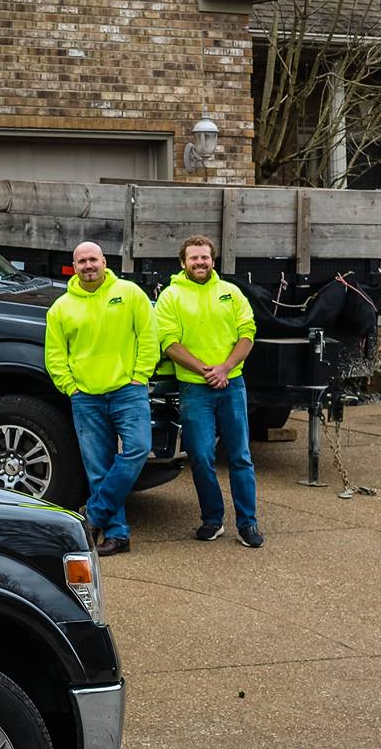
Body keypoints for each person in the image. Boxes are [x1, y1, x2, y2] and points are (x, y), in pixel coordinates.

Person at [43, 241, 157, 556]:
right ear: (74, 267)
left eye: (93, 259)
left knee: (138, 449)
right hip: (86, 398)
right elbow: (55, 356)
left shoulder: (130, 293)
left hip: (128, 391)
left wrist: (140, 375)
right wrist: (71, 388)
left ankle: (94, 514)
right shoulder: (61, 308)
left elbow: (149, 335)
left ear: (104, 261)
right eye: (82, 262)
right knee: (98, 468)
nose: (88, 266)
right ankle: (118, 535)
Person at [155, 235, 262, 548]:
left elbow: (247, 333)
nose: (200, 262)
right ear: (183, 262)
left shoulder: (231, 292)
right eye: (194, 258)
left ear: (213, 260)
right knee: (201, 456)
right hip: (194, 388)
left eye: (205, 257)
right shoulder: (171, 297)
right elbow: (169, 343)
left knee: (240, 456)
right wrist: (207, 370)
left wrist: (225, 368)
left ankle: (248, 523)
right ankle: (212, 519)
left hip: (232, 384)